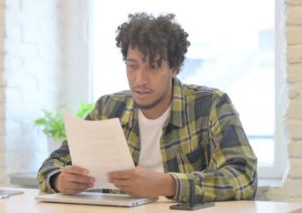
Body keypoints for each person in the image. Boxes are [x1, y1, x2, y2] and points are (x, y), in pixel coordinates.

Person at [38, 12, 257, 203]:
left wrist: (168, 184)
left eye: (153, 67)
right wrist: (59, 180)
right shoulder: (108, 108)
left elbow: (244, 176)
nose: (139, 79)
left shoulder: (210, 105)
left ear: (175, 68)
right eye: (132, 66)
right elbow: (51, 165)